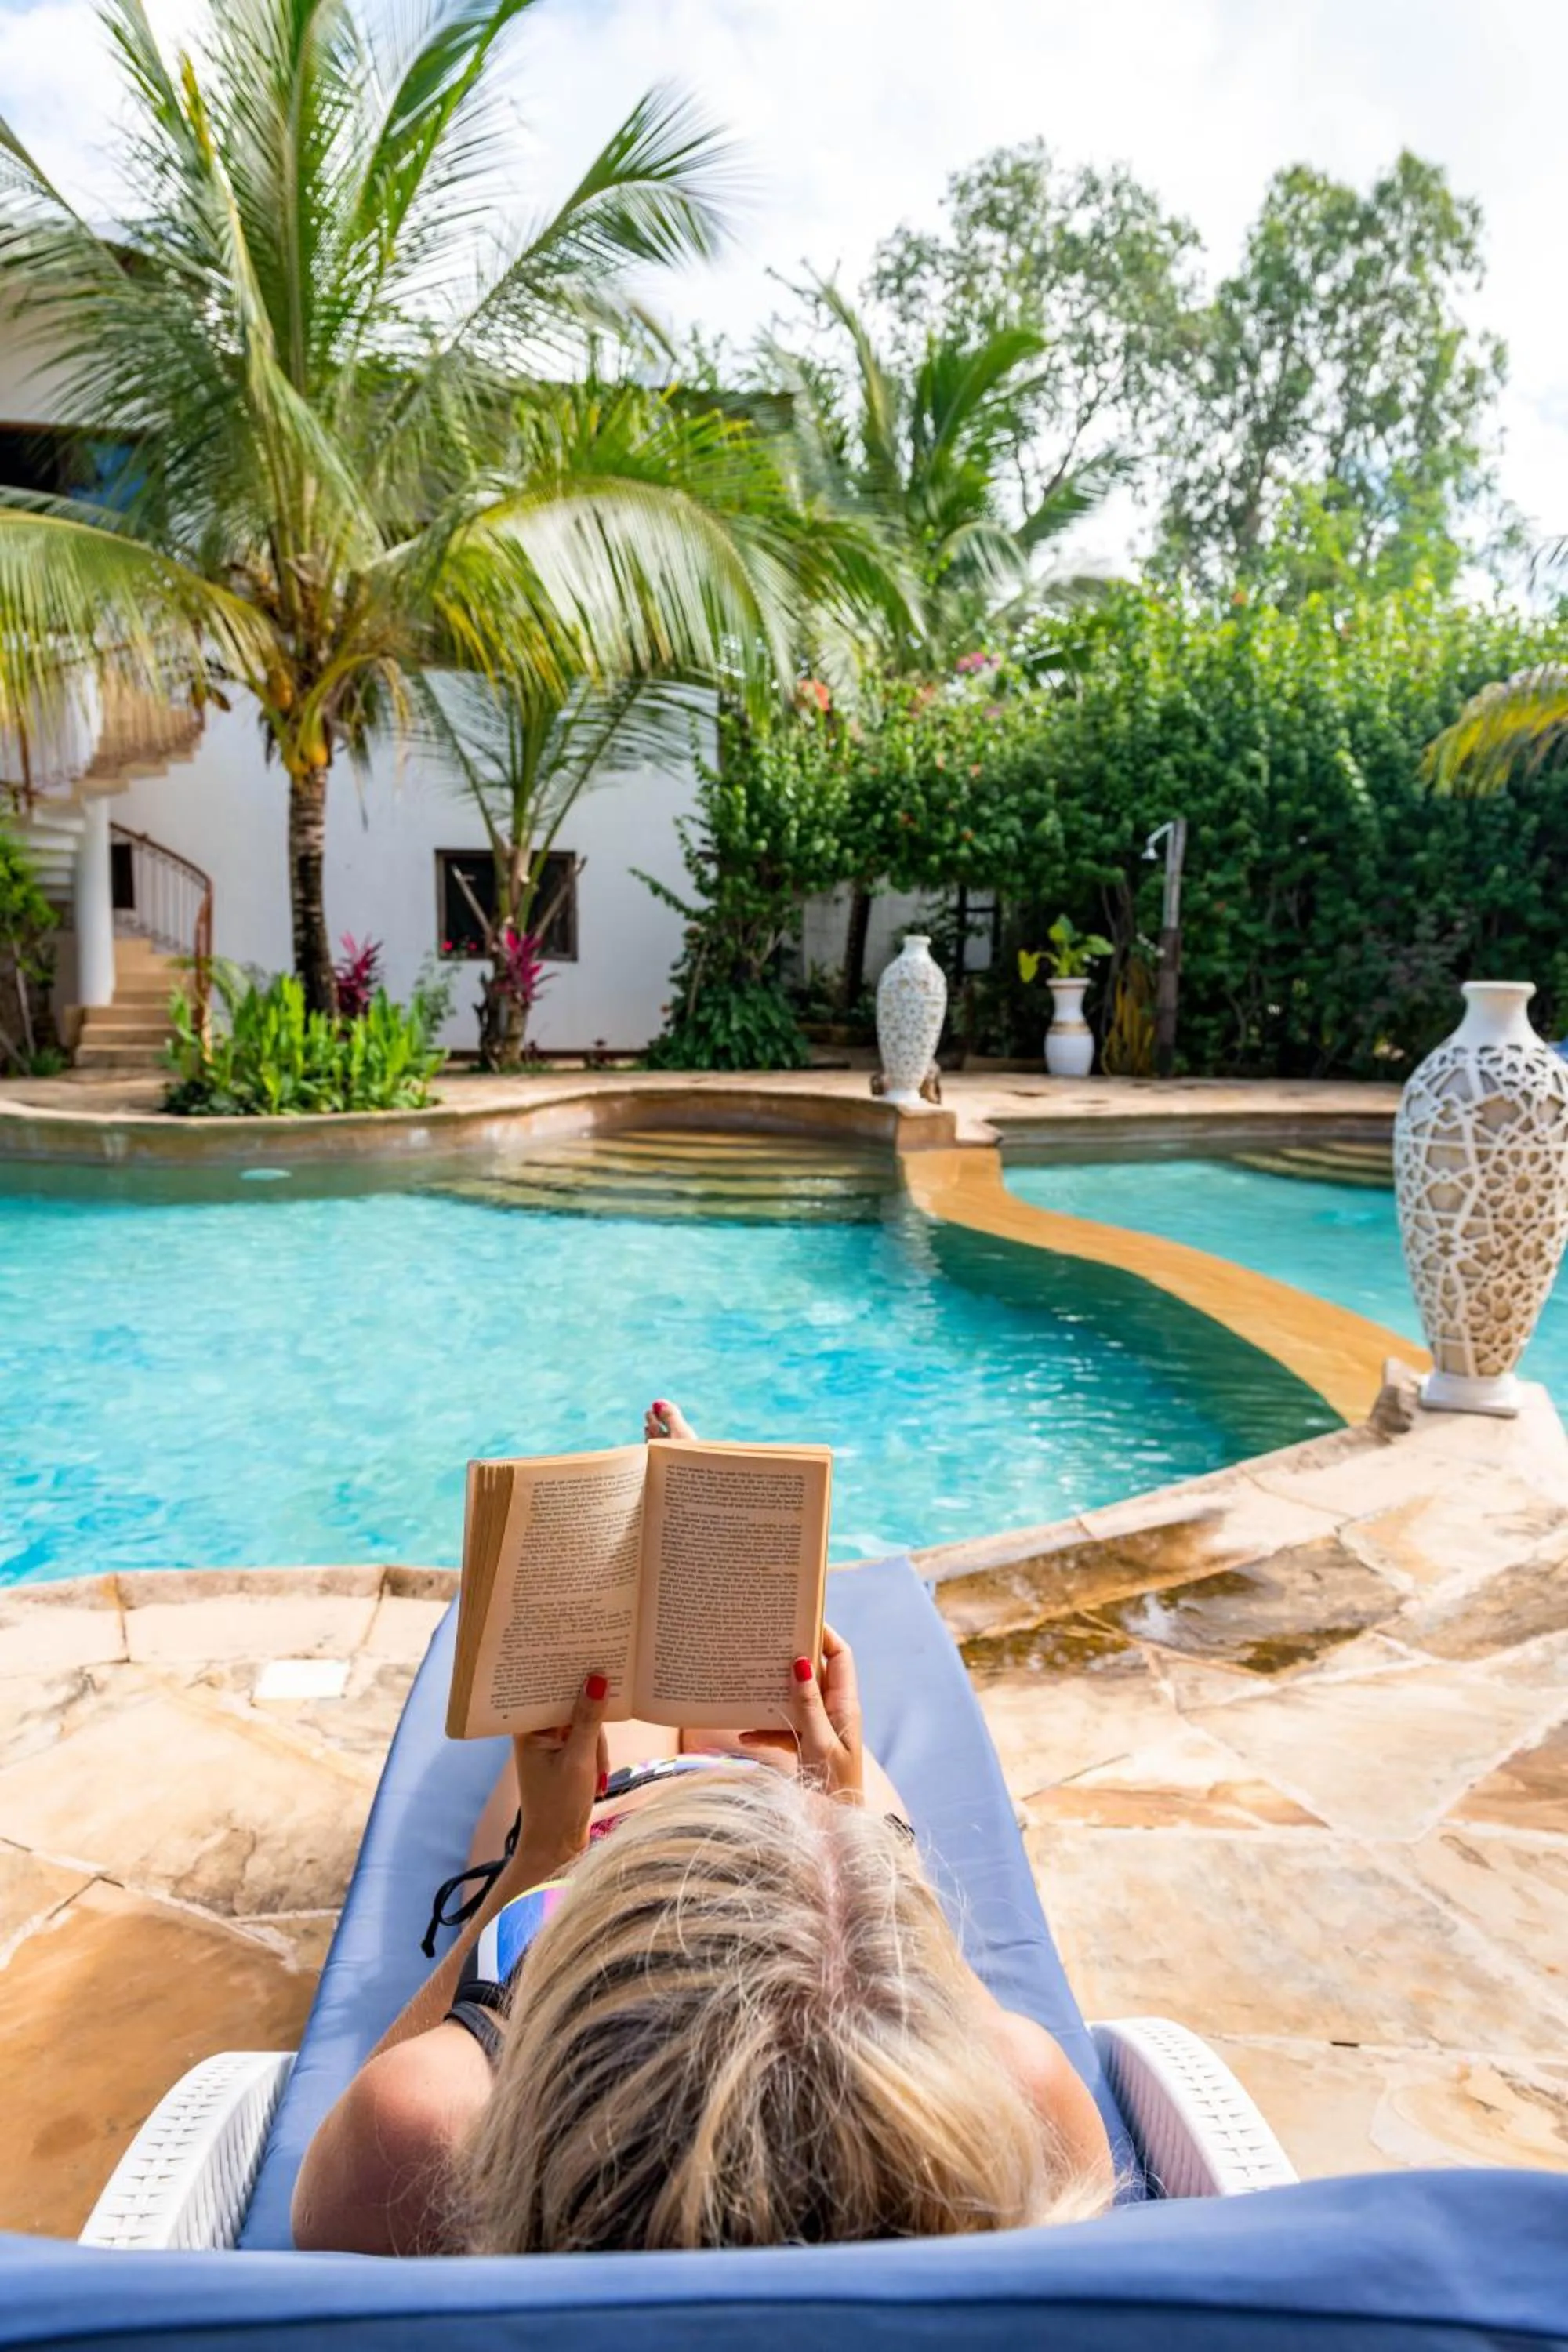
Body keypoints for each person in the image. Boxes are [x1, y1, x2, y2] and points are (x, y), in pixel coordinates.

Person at [292, 1401, 1115, 2258]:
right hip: (766, 1843)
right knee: (761, 1713)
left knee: (606, 1692)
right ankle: (704, 1558)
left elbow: (324, 2189)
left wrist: (547, 1850)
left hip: (607, 1839)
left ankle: (669, 1555)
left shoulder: (423, 2124)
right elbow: (911, 1967)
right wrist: (842, 1821)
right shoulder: (1019, 2100)